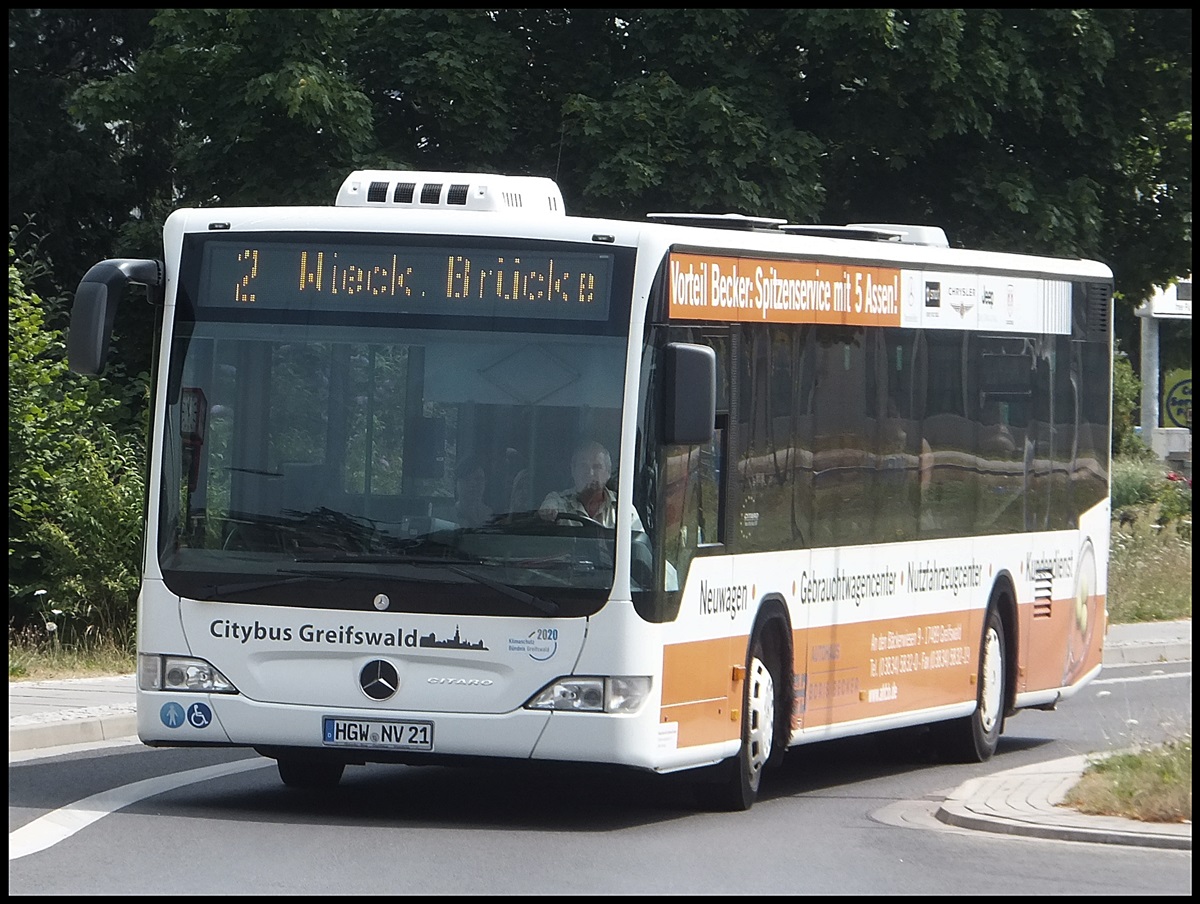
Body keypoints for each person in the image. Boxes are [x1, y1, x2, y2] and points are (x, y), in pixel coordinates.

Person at [538, 439, 643, 530]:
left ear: (608, 473)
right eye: (583, 466)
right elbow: (547, 511)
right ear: (573, 471)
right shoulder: (557, 502)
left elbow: (638, 549)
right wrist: (548, 513)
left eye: (597, 467)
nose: (590, 473)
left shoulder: (623, 509)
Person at [454, 454, 493, 527]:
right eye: (467, 479)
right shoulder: (448, 516)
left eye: (479, 479)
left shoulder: (491, 515)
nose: (473, 484)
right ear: (456, 483)